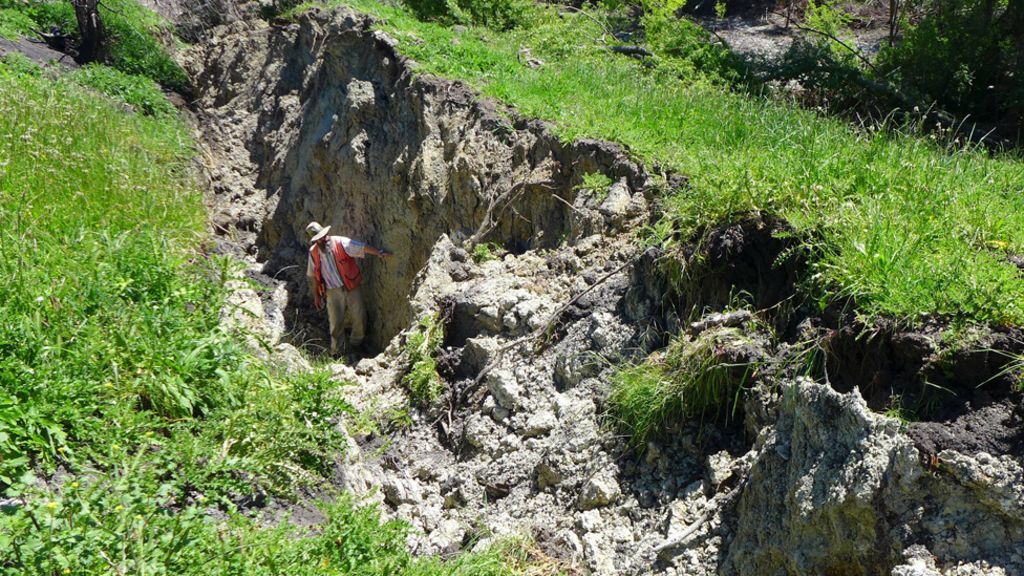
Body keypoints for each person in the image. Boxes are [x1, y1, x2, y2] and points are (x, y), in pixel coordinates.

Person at [305, 222, 392, 357]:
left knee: (359, 315)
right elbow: (315, 276)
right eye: (321, 238)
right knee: (335, 322)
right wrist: (317, 295)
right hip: (331, 291)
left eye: (325, 235)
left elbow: (361, 248)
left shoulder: (340, 242)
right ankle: (337, 352)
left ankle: (356, 343)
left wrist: (378, 252)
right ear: (316, 241)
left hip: (350, 286)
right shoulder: (313, 253)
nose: (325, 238)